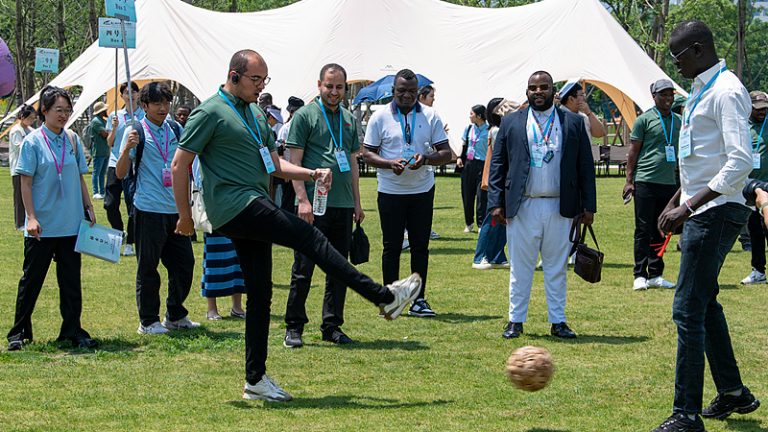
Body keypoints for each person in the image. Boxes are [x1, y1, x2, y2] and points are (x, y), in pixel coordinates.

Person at [170, 50, 422, 402]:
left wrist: (311, 173)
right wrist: (184, 216)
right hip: (235, 206)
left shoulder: (256, 113)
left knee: (260, 293)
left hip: (255, 201)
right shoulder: (210, 111)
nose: (261, 87)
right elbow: (180, 164)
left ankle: (255, 381)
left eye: (264, 80)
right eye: (256, 80)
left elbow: (274, 165)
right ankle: (384, 297)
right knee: (309, 237)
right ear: (234, 76)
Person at [649, 20, 761, 432]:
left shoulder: (727, 91)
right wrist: (678, 198)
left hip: (717, 212)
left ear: (698, 49)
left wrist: (691, 205)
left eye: (677, 56)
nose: (674, 65)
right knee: (705, 301)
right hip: (700, 207)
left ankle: (686, 414)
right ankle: (734, 392)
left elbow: (740, 161)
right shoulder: (702, 89)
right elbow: (702, 158)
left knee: (687, 309)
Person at [488, 70, 596, 340]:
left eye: (544, 87)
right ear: (527, 91)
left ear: (553, 91)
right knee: (520, 267)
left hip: (562, 206)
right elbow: (498, 165)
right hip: (523, 206)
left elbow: (585, 166)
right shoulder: (511, 122)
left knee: (556, 267)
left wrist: (589, 206)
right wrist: (495, 204)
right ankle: (515, 320)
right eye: (533, 88)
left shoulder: (572, 122)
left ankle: (558, 321)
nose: (538, 92)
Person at [7, 85, 98, 351]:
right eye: (58, 110)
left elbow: (79, 176)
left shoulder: (71, 139)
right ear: (44, 111)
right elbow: (25, 182)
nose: (64, 115)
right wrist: (31, 218)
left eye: (67, 110)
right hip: (42, 226)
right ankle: (18, 332)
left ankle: (72, 331)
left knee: (71, 282)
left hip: (70, 224)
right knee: (31, 281)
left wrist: (88, 204)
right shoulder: (32, 142)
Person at [281, 63, 366, 347]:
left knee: (338, 269)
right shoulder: (304, 116)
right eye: (329, 86)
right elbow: (294, 163)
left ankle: (332, 326)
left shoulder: (347, 118)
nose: (334, 91)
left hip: (342, 204)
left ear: (345, 88)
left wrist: (357, 202)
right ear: (319, 85)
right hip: (313, 206)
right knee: (304, 268)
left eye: (339, 87)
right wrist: (302, 201)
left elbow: (353, 162)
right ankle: (294, 326)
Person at [362, 68, 453, 318]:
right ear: (393, 91)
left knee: (420, 247)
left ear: (417, 92)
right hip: (390, 191)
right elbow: (367, 153)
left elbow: (447, 153)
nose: (406, 95)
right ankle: (391, 299)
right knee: (391, 247)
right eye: (401, 90)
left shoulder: (430, 115)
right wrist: (389, 163)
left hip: (422, 191)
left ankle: (418, 300)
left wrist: (425, 159)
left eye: (412, 91)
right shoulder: (379, 117)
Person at [116, 82, 198, 335]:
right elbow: (120, 173)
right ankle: (148, 320)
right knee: (148, 268)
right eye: (157, 104)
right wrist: (128, 148)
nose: (163, 108)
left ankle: (175, 314)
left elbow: (184, 167)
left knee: (184, 265)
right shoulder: (135, 130)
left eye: (166, 103)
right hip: (148, 209)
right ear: (144, 106)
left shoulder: (175, 128)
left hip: (176, 210)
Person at [622, 79, 681, 291]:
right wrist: (629, 181)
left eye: (670, 95)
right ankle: (640, 274)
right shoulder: (644, 120)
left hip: (669, 183)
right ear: (654, 97)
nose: (668, 98)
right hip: (646, 181)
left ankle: (656, 274)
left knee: (662, 229)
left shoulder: (679, 120)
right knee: (643, 229)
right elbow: (634, 152)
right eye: (663, 94)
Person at [472, 98, 520, 270]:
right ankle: (481, 256)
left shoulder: (502, 128)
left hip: (506, 180)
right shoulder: (497, 130)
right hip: (498, 181)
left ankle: (496, 255)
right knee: (491, 218)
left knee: (503, 220)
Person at [106, 81, 145, 257]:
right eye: (126, 92)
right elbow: (110, 142)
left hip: (134, 165)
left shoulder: (143, 115)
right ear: (121, 95)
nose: (130, 95)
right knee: (110, 203)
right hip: (115, 162)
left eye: (133, 92)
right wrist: (113, 128)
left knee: (132, 204)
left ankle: (130, 242)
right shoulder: (115, 116)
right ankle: (119, 232)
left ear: (138, 94)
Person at [740, 90, 768, 284]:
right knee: (755, 231)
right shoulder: (741, 127)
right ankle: (758, 271)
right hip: (750, 187)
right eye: (758, 109)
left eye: (765, 108)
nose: (762, 112)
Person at [457, 104, 489, 233]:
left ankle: (481, 224)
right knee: (467, 195)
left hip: (483, 165)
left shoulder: (490, 129)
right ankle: (468, 223)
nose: (469, 116)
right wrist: (459, 157)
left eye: (471, 114)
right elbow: (464, 143)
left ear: (479, 116)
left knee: (482, 196)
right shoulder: (469, 128)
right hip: (469, 164)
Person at [417, 84, 442, 240]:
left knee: (427, 202)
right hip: (411, 170)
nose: (433, 99)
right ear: (422, 97)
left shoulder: (432, 115)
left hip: (427, 168)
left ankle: (426, 229)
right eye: (431, 96)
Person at [9, 104, 36, 230]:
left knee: (28, 195)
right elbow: (19, 147)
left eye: (33, 119)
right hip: (18, 168)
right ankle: (19, 223)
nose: (31, 121)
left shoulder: (31, 131)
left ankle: (27, 220)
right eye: (29, 118)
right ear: (22, 116)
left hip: (29, 168)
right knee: (19, 197)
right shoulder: (16, 130)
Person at [276, 96, 305, 215]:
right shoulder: (285, 128)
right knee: (288, 198)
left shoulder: (305, 127)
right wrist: (285, 171)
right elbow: (281, 150)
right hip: (289, 167)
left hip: (303, 166)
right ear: (292, 113)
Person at [90, 101, 110, 200]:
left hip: (105, 151)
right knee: (96, 172)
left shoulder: (103, 121)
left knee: (102, 173)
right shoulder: (96, 121)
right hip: (98, 151)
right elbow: (105, 134)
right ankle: (95, 192)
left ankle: (102, 191)